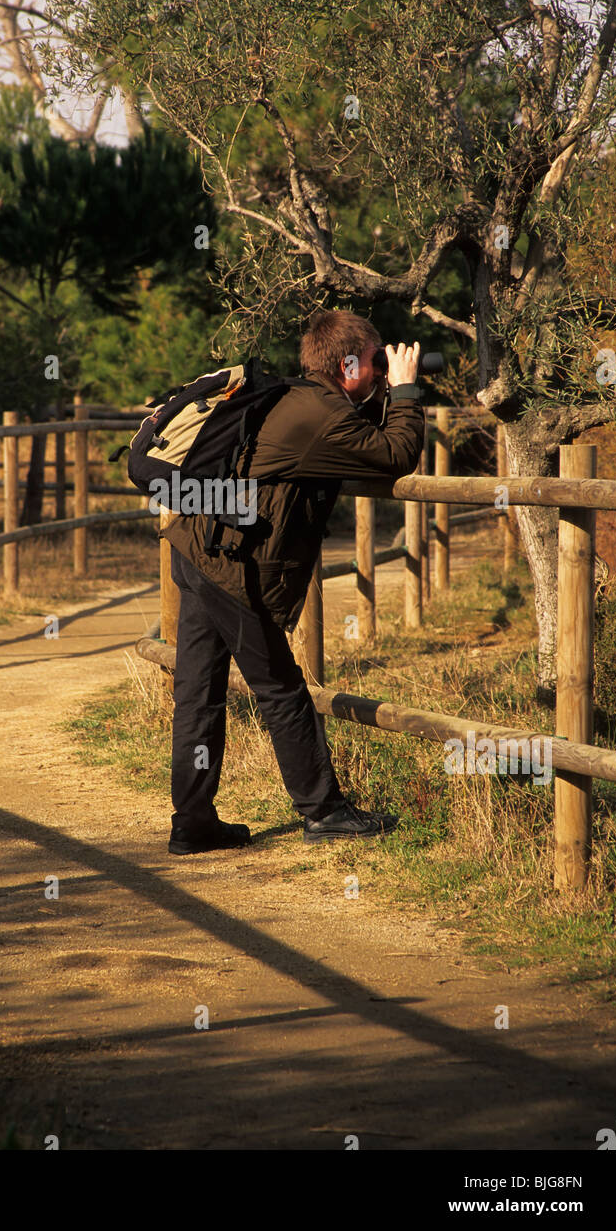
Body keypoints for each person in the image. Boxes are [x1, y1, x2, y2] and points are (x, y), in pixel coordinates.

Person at [162, 308, 425, 855]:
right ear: (348, 365)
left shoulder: (295, 397)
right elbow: (397, 454)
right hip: (229, 568)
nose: (380, 372)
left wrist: (384, 390)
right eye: (376, 363)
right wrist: (405, 391)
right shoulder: (321, 412)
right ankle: (323, 810)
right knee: (282, 690)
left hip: (197, 549)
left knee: (198, 693)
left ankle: (192, 821)